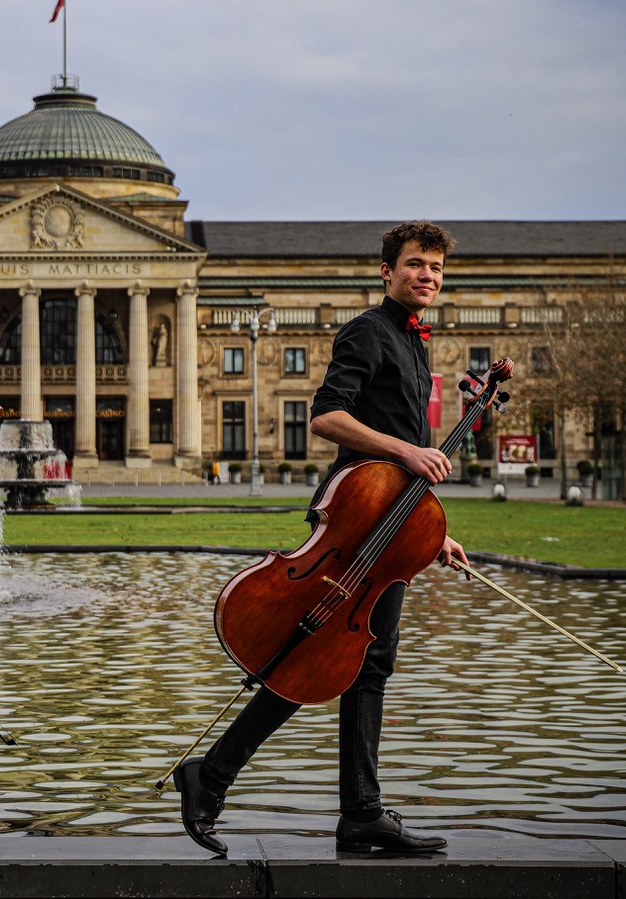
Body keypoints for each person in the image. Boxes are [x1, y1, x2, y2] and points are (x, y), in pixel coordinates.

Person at [175, 220, 464, 856]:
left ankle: (351, 812)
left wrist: (432, 535)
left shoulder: (416, 347)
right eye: (416, 264)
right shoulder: (367, 330)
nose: (428, 277)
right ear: (386, 271)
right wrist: (408, 452)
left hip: (388, 531)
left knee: (359, 665)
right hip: (352, 526)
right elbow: (329, 415)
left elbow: (405, 467)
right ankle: (224, 778)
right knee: (326, 661)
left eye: (437, 269)